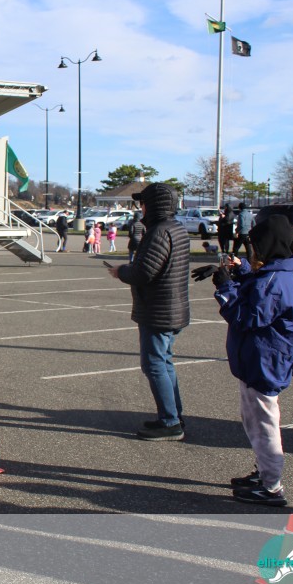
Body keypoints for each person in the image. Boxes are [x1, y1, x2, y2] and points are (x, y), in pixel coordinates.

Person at [211, 214, 293, 506]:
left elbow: (246, 316)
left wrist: (225, 288)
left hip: (264, 362)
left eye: (256, 245)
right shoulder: (279, 272)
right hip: (258, 360)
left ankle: (271, 486)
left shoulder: (275, 280)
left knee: (264, 425)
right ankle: (264, 472)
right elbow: (259, 289)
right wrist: (242, 270)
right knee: (253, 421)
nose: (252, 250)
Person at [107, 183, 190, 440]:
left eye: (143, 203)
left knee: (154, 364)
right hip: (171, 308)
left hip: (159, 310)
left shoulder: (159, 232)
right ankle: (173, 415)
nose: (140, 208)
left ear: (153, 205)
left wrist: (121, 271)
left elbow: (144, 273)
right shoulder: (176, 228)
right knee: (164, 362)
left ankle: (170, 422)